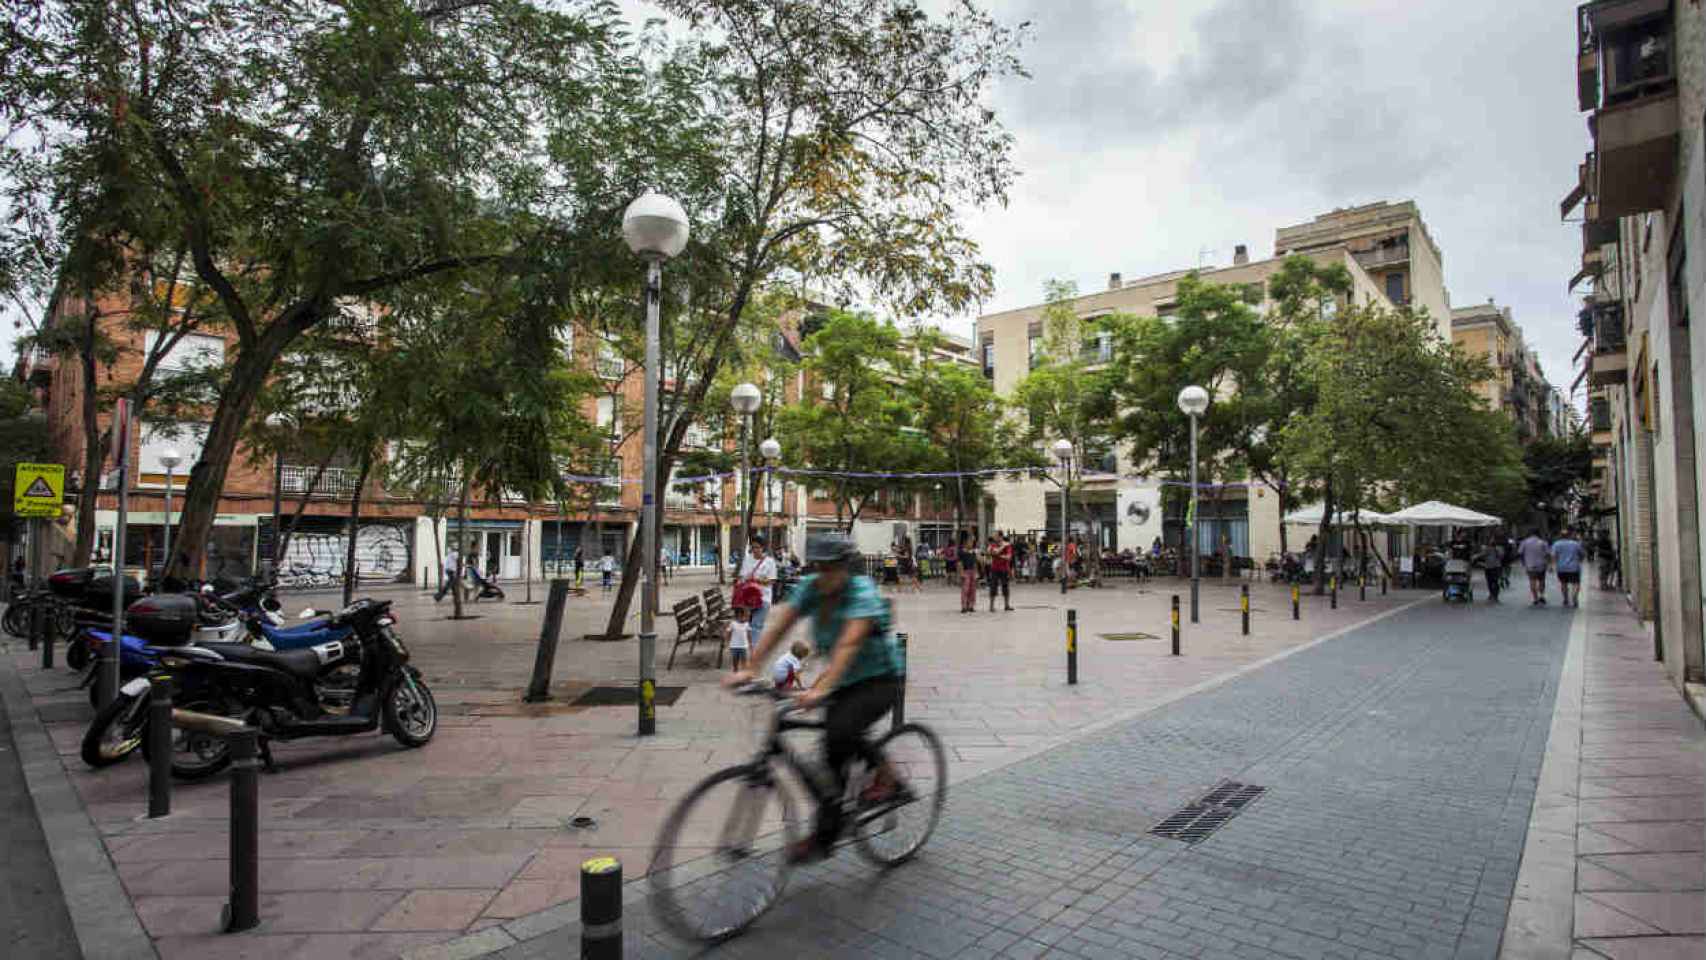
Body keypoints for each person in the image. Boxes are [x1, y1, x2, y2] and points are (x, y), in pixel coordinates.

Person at [727, 533, 905, 863]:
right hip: (843, 679)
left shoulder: (860, 591)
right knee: (830, 758)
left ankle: (889, 777)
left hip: (879, 679)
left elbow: (849, 644)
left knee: (841, 731)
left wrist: (821, 689)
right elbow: (780, 626)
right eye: (819, 567)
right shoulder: (810, 588)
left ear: (845, 567)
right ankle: (826, 835)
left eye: (831, 568)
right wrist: (750, 668)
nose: (823, 575)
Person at [740, 536, 778, 638]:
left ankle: (754, 650)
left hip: (763, 598)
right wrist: (746, 579)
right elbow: (742, 577)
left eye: (758, 547)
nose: (755, 550)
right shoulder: (747, 560)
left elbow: (772, 580)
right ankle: (750, 646)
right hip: (748, 598)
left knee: (756, 625)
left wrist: (757, 580)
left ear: (763, 548)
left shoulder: (769, 562)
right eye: (753, 547)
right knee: (748, 624)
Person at [1552, 528, 1586, 608]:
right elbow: (1582, 554)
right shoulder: (1575, 544)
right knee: (1576, 583)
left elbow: (1553, 556)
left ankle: (1566, 599)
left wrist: (1553, 565)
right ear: (1569, 535)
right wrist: (1580, 560)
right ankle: (1574, 596)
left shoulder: (1556, 544)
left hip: (1561, 568)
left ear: (1560, 536)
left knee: (1564, 584)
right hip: (1574, 567)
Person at [1518, 529, 1551, 606]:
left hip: (1530, 565)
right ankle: (1542, 596)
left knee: (1532, 581)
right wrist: (1549, 564)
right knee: (1541, 580)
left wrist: (1523, 562)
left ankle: (1535, 598)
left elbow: (1520, 553)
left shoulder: (1524, 542)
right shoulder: (1543, 542)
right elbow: (1547, 554)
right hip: (1541, 565)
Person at [987, 531, 1013, 612]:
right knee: (993, 587)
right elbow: (991, 552)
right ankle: (991, 607)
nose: (994, 538)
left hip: (1004, 569)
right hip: (994, 569)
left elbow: (1009, 557)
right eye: (994, 536)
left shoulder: (1007, 545)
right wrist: (1001, 550)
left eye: (996, 536)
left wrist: (998, 555)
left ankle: (1007, 605)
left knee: (1005, 587)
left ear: (1000, 537)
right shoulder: (993, 545)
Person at [726, 606, 752, 672]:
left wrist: (750, 644)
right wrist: (728, 643)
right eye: (743, 616)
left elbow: (749, 634)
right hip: (734, 646)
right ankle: (735, 672)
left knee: (744, 661)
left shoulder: (746, 624)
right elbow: (728, 633)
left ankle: (743, 673)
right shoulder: (733, 624)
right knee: (735, 661)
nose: (745, 618)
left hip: (744, 646)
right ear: (738, 616)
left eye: (745, 616)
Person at [958, 534, 978, 613]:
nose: (972, 543)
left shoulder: (973, 552)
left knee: (973, 589)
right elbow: (959, 563)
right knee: (965, 589)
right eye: (970, 541)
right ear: (965, 542)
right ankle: (964, 606)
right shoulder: (961, 551)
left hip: (973, 571)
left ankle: (971, 605)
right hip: (965, 571)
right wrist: (961, 573)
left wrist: (976, 573)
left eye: (972, 542)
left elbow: (975, 563)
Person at [1480, 539, 1504, 603]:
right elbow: (1502, 556)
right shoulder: (1497, 548)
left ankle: (1493, 595)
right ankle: (1494, 595)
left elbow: (1482, 555)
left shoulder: (1489, 549)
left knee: (1491, 582)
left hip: (1491, 567)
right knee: (1493, 581)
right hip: (1494, 567)